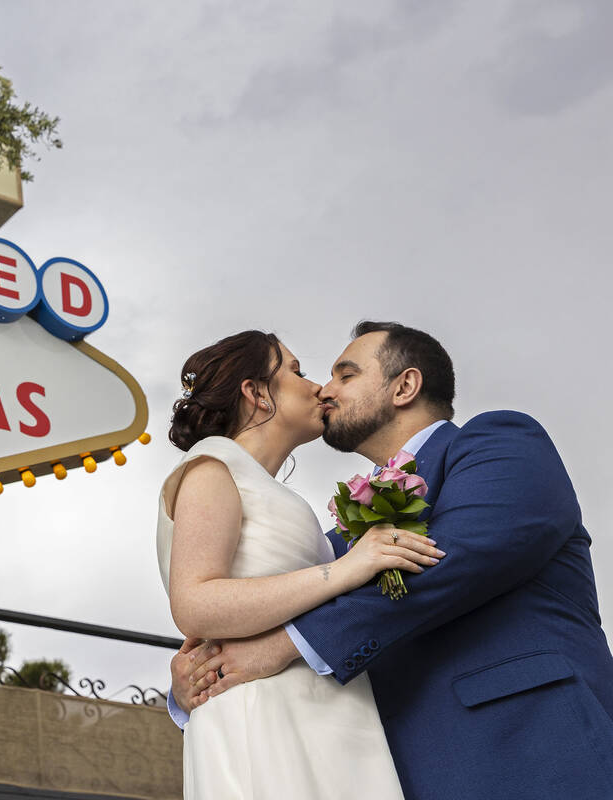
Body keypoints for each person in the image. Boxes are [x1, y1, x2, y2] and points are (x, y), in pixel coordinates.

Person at [168, 322, 613, 800]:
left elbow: (457, 560)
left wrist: (286, 644)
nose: (324, 388)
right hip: (389, 771)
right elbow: (273, 596)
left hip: (526, 749)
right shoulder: (338, 542)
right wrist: (197, 675)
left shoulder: (497, 444)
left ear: (405, 386)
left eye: (346, 375)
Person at [158, 329, 442, 799]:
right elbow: (195, 602)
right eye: (296, 371)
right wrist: (347, 569)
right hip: (267, 715)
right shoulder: (212, 466)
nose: (319, 388)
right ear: (255, 392)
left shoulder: (270, 491)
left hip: (325, 713)